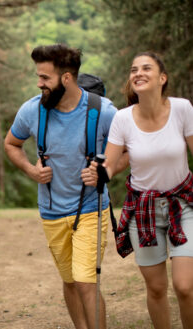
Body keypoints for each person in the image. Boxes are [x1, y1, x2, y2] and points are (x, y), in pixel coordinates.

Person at [4, 44, 120, 329]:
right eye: (39, 77)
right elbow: (11, 144)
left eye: (45, 78)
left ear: (66, 78)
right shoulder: (31, 110)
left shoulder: (103, 111)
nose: (39, 83)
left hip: (91, 207)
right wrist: (32, 170)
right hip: (52, 211)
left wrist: (106, 171)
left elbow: (129, 149)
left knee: (85, 282)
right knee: (69, 281)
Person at [88, 52, 193, 329]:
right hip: (142, 211)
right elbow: (108, 165)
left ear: (162, 78)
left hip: (182, 205)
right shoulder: (122, 119)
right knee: (156, 288)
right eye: (134, 69)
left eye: (147, 68)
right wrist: (97, 171)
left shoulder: (182, 109)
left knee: (184, 286)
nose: (138, 73)